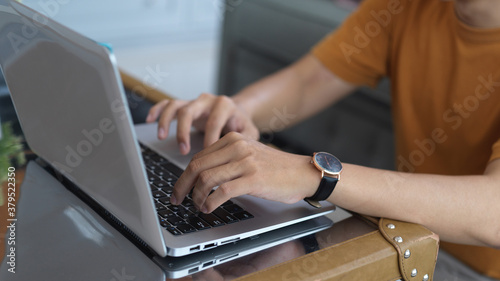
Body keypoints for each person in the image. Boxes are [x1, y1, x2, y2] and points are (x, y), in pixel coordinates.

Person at [147, 0, 500, 279]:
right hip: (402, 233)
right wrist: (239, 111)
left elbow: (493, 212)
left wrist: (315, 175)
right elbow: (309, 82)